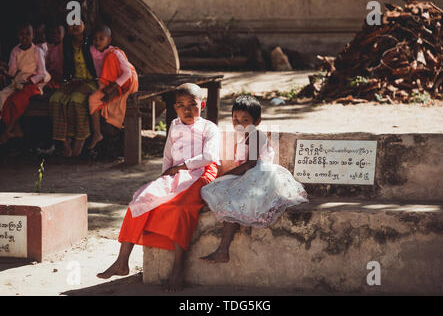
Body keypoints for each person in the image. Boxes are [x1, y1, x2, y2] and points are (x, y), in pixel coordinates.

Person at [97, 83, 220, 292]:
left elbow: (209, 157)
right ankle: (122, 261)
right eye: (181, 105)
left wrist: (181, 167)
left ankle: (178, 268)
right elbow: (168, 155)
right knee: (141, 199)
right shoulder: (173, 124)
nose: (187, 110)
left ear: (203, 105)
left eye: (193, 104)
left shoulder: (209, 127)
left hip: (201, 172)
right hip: (176, 173)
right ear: (175, 108)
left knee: (181, 208)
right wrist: (163, 178)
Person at [199, 95, 309, 263]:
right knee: (210, 190)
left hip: (260, 178)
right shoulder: (243, 137)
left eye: (245, 120)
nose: (238, 123)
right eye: (235, 118)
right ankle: (222, 249)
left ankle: (223, 249)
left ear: (257, 121)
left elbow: (250, 164)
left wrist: (225, 175)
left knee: (231, 202)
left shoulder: (257, 136)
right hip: (249, 177)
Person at [48, 19, 98, 157]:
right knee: (55, 99)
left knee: (76, 100)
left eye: (78, 22)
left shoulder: (91, 41)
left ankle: (79, 140)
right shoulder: (67, 43)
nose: (75, 26)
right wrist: (69, 82)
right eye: (71, 23)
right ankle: (63, 141)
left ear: (85, 24)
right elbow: (67, 69)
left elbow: (97, 69)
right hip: (74, 81)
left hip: (92, 82)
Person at [87, 25, 138, 149]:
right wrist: (103, 87)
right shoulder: (92, 51)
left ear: (109, 40)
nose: (97, 42)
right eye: (95, 39)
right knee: (93, 99)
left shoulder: (115, 52)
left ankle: (115, 93)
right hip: (108, 82)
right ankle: (97, 133)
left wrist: (112, 88)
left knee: (109, 57)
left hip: (127, 82)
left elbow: (127, 73)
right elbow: (100, 72)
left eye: (101, 38)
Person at [0, 23, 50, 144]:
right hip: (19, 81)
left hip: (34, 83)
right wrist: (5, 70)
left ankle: (8, 131)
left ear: (33, 36)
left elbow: (42, 73)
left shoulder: (37, 51)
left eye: (28, 34)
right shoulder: (15, 51)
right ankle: (17, 130)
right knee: (2, 95)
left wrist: (30, 82)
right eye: (21, 34)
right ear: (18, 36)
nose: (25, 37)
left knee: (17, 98)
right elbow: (12, 72)